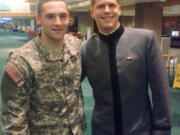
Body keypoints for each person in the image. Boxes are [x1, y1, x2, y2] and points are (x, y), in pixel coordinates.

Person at [81, 0, 171, 135]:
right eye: (100, 6)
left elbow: (160, 89)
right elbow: (69, 86)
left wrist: (162, 129)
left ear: (119, 9)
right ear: (92, 13)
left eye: (111, 5)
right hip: (102, 129)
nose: (107, 10)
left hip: (139, 129)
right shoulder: (86, 48)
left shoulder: (145, 40)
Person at [1, 0, 86, 134]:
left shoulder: (75, 45)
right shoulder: (21, 61)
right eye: (50, 16)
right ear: (38, 19)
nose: (58, 22)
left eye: (63, 16)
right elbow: (14, 121)